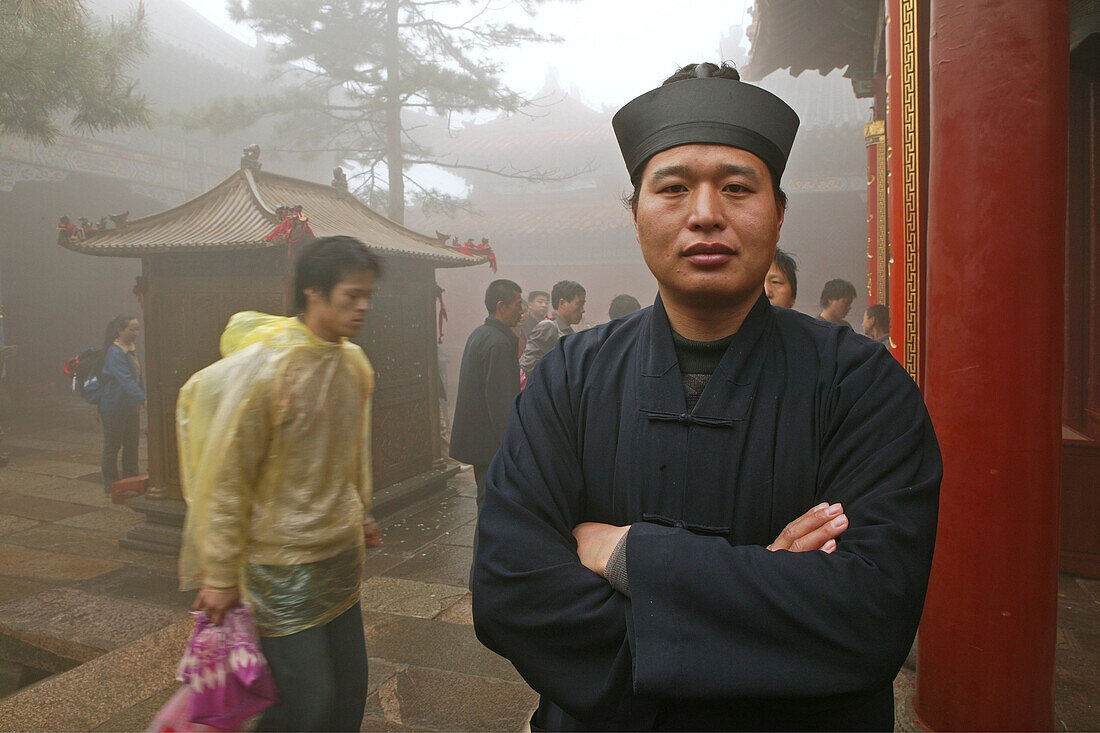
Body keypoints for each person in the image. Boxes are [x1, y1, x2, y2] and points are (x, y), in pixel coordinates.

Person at [471, 62, 941, 731]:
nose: (705, 214)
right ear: (634, 213)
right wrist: (770, 596)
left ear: (778, 212)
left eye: (737, 187)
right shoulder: (569, 377)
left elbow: (869, 615)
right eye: (673, 188)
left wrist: (629, 554)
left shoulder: (863, 386)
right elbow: (509, 588)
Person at [177, 236, 382, 732]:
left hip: (338, 554)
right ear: (313, 291)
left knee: (348, 697)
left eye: (367, 295)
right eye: (350, 295)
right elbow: (228, 479)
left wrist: (360, 512)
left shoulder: (353, 364)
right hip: (280, 563)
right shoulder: (268, 372)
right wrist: (220, 573)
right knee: (306, 701)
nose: (362, 307)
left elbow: (350, 455)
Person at [450, 279, 524, 582]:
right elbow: (501, 402)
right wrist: (512, 446)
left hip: (476, 440)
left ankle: (480, 574)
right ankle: (480, 577)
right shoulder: (498, 343)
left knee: (487, 506)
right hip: (489, 443)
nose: (522, 310)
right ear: (501, 306)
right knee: (489, 508)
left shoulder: (481, 334)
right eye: (518, 304)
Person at [99, 315, 146, 495]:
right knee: (112, 445)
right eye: (132, 329)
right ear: (120, 330)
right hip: (114, 406)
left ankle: (131, 479)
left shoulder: (130, 349)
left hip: (130, 407)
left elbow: (136, 378)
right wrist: (143, 398)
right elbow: (125, 379)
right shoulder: (115, 352)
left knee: (131, 444)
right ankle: (110, 484)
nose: (136, 333)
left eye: (137, 329)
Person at [519, 280, 585, 375]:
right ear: (562, 303)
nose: (582, 310)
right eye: (579, 304)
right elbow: (528, 365)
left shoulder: (567, 330)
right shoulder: (548, 327)